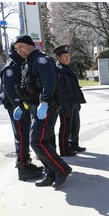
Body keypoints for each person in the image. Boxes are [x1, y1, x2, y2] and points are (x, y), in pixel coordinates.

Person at [12, 34, 72, 188]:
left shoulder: (40, 60)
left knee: (36, 141)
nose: (19, 51)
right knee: (45, 141)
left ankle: (62, 169)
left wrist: (44, 101)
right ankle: (50, 173)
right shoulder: (28, 62)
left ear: (29, 44)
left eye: (21, 47)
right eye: (16, 49)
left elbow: (49, 82)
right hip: (35, 108)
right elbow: (28, 88)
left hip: (46, 107)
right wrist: (21, 105)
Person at [0, 43, 43, 181]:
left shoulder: (20, 63)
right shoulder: (11, 67)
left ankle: (26, 163)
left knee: (24, 135)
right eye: (20, 49)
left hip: (22, 106)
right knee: (21, 136)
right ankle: (23, 168)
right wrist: (21, 106)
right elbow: (11, 92)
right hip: (16, 108)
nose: (23, 51)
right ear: (15, 51)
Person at [53, 44, 87, 156]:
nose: (68, 58)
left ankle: (74, 144)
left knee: (75, 125)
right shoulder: (58, 70)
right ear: (58, 57)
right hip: (66, 103)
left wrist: (78, 103)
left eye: (69, 56)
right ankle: (64, 149)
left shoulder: (67, 68)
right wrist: (64, 106)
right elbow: (61, 91)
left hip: (74, 102)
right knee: (66, 126)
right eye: (65, 56)